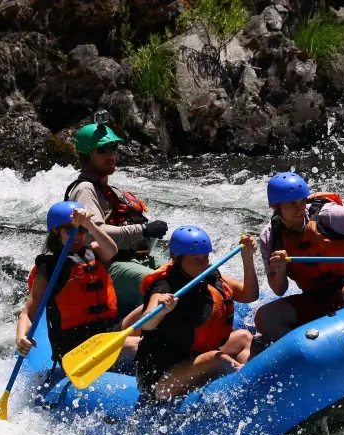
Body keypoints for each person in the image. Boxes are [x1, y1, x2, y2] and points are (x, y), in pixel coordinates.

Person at [254, 172, 344, 341]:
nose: (299, 208)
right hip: (315, 296)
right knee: (265, 318)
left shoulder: (327, 214)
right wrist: (280, 270)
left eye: (302, 200)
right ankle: (305, 352)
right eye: (292, 203)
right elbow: (279, 290)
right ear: (274, 205)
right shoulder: (270, 237)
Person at [134, 226, 259, 402]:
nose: (203, 264)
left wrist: (248, 258)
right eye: (196, 259)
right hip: (161, 379)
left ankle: (248, 388)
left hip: (194, 355)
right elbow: (145, 323)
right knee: (218, 359)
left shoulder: (209, 274)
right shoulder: (164, 285)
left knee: (245, 337)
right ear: (177, 259)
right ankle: (251, 383)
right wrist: (161, 311)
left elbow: (249, 295)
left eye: (205, 257)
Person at [65, 117, 169, 315]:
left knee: (182, 273)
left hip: (129, 259)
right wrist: (143, 230)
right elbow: (95, 233)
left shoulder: (108, 189)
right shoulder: (85, 189)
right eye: (104, 150)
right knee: (161, 283)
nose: (112, 155)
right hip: (104, 266)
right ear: (87, 155)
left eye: (113, 148)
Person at [16, 201, 140, 366]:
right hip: (76, 347)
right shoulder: (49, 268)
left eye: (82, 230)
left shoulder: (93, 251)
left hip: (105, 333)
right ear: (56, 231)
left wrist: (89, 223)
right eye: (71, 230)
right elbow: (28, 313)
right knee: (139, 345)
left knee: (145, 311)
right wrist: (21, 337)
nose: (78, 235)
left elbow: (112, 250)